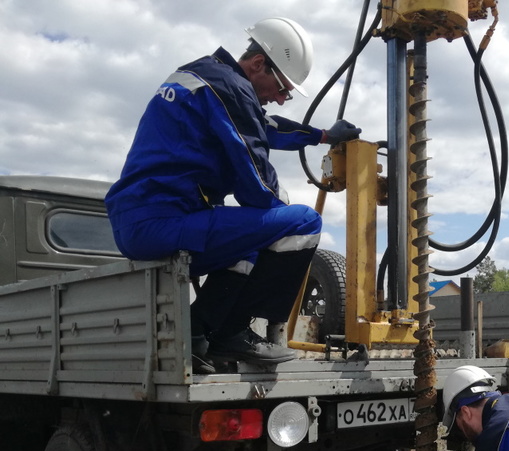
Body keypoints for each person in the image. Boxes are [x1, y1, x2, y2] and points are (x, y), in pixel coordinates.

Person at [105, 17, 361, 368]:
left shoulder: (207, 78)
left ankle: (198, 333)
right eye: (282, 89)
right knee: (303, 222)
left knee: (250, 239)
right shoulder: (229, 90)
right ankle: (234, 333)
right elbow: (256, 188)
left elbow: (265, 127)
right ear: (258, 65)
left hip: (143, 218)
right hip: (165, 220)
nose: (282, 100)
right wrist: (280, 212)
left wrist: (323, 136)